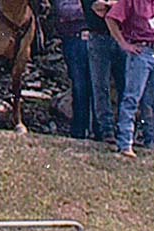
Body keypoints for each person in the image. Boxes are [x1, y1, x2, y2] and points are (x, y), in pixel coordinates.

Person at [105, 0, 154, 160]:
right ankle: (125, 143)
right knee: (132, 98)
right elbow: (111, 18)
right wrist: (123, 44)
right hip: (141, 51)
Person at [86, 0, 127, 143]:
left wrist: (114, 5)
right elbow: (98, 7)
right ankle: (106, 130)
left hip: (123, 37)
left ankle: (126, 130)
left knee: (127, 86)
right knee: (101, 86)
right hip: (99, 36)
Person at [54, 0, 93, 139]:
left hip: (99, 40)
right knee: (79, 86)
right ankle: (79, 131)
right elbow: (63, 10)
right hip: (75, 39)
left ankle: (100, 131)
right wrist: (91, 10)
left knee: (99, 86)